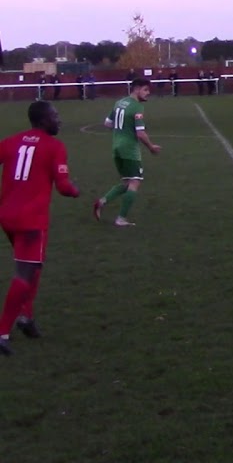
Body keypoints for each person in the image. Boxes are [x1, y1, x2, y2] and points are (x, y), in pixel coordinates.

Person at [0, 101, 81, 355]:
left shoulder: (13, 141)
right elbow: (63, 186)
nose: (58, 120)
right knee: (24, 272)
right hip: (31, 219)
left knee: (33, 265)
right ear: (43, 120)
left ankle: (27, 318)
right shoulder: (55, 146)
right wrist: (74, 191)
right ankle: (2, 331)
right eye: (54, 116)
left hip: (7, 215)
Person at [92, 79, 160, 228]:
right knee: (135, 182)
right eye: (145, 90)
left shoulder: (119, 102)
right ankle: (121, 218)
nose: (148, 93)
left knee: (127, 182)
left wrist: (121, 130)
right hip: (129, 149)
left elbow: (107, 123)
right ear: (136, 89)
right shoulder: (137, 107)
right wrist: (151, 147)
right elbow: (140, 133)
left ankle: (102, 202)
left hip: (116, 147)